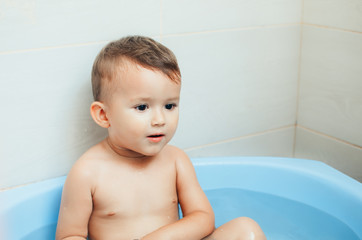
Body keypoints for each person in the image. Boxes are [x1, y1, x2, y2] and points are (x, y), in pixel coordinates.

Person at [56, 36, 266, 240]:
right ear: (104, 115)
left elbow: (203, 218)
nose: (159, 119)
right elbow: (69, 235)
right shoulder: (87, 173)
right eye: (142, 107)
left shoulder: (175, 161)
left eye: (169, 106)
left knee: (246, 230)